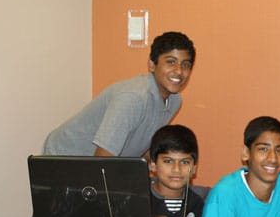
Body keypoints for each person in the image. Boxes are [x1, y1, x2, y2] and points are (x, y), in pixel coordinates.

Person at [43, 31, 195, 157]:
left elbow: (141, 147)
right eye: (171, 62)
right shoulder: (133, 98)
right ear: (151, 65)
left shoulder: (174, 101)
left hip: (102, 163)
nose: (179, 71)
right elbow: (103, 160)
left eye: (185, 65)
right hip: (63, 158)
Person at [193, 116, 280, 217]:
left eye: (279, 151)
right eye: (263, 149)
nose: (272, 158)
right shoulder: (225, 194)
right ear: (246, 153)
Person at [149, 124, 204, 217]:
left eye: (185, 162)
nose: (177, 169)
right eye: (168, 161)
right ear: (153, 165)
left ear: (194, 168)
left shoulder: (203, 200)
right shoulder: (139, 200)